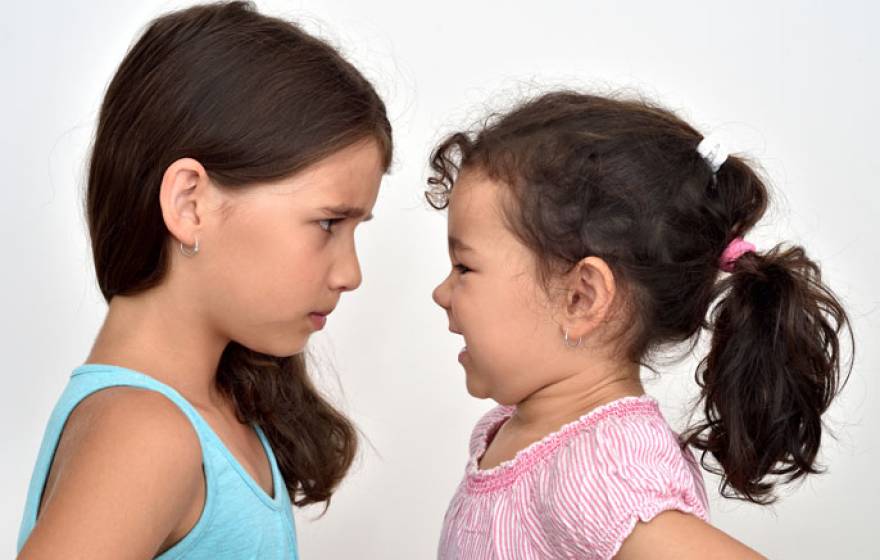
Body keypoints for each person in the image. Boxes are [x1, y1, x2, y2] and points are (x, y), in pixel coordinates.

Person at [16, 1, 392, 558]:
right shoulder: (144, 434)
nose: (351, 273)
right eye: (328, 223)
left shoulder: (219, 412)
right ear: (190, 204)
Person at [428, 90, 852, 559]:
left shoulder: (599, 472)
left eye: (464, 268)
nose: (441, 293)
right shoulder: (512, 428)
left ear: (581, 297)